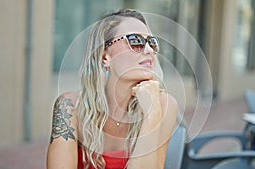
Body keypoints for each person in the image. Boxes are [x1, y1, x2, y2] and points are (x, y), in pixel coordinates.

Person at [47, 9, 178, 169]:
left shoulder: (163, 105)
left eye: (152, 42)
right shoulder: (69, 107)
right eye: (135, 41)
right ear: (105, 57)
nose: (149, 50)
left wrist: (151, 115)